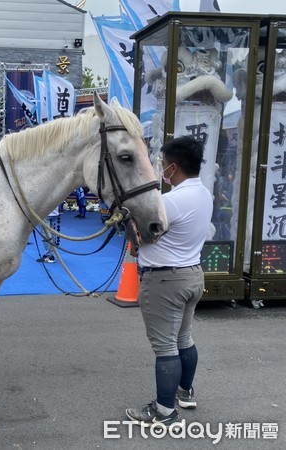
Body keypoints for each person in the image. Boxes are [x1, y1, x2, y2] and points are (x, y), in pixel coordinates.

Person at [125, 135, 213, 430]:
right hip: (192, 275)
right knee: (183, 339)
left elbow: (142, 240)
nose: (161, 170)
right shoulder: (204, 194)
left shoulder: (170, 201)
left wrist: (130, 231)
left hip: (164, 281)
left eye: (163, 165)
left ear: (173, 167)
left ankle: (164, 410)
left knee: (165, 347)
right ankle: (185, 393)